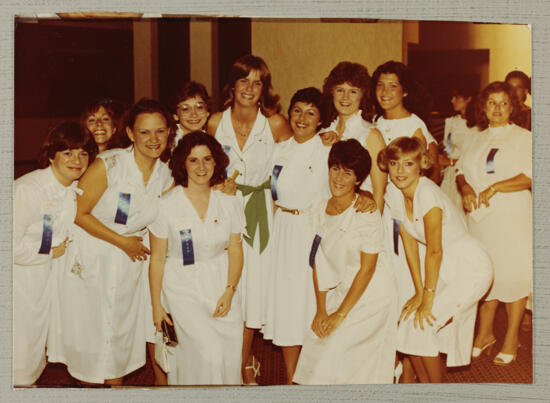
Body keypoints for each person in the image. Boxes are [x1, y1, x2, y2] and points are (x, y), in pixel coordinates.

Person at [62, 99, 175, 385]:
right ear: (129, 133)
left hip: (128, 263)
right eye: (145, 132)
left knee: (117, 331)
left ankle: (116, 389)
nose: (153, 139)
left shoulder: (166, 175)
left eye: (160, 131)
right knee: (90, 333)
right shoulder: (109, 164)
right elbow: (77, 213)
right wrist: (122, 242)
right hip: (93, 254)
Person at [207, 54, 292, 384]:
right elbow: (201, 162)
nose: (250, 88)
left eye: (258, 83)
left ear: (265, 88)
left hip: (260, 209)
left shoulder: (275, 123)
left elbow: (297, 157)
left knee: (252, 291)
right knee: (225, 284)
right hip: (223, 206)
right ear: (232, 85)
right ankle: (225, 359)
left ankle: (241, 364)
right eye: (244, 81)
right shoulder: (216, 121)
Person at [378, 137, 492, 382]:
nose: (400, 171)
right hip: (445, 270)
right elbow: (409, 244)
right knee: (409, 325)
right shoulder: (395, 192)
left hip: (470, 269)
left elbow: (434, 251)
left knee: (421, 326)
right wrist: (419, 292)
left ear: (421, 165)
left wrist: (428, 297)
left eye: (408, 164)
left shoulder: (427, 194)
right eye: (395, 163)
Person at [293, 139, 398, 385]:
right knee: (315, 345)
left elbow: (368, 268)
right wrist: (321, 309)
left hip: (372, 294)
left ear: (358, 180)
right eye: (335, 168)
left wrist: (339, 315)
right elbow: (317, 261)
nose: (339, 178)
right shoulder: (318, 208)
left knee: (336, 354)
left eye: (348, 173)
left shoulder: (366, 212)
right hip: (340, 289)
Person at [149, 132, 245, 385]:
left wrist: (230, 290)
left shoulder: (229, 202)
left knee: (228, 354)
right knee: (207, 354)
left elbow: (235, 248)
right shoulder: (166, 205)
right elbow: (157, 258)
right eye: (193, 160)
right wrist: (156, 306)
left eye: (207, 159)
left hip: (220, 284)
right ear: (183, 163)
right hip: (182, 288)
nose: (201, 167)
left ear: (216, 163)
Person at [14, 122, 96, 386]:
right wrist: (48, 252)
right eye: (68, 153)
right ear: (51, 155)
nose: (76, 160)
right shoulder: (28, 189)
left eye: (83, 153)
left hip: (46, 282)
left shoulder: (72, 190)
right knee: (20, 350)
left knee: (35, 351)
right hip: (20, 283)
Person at [456, 81, 532, 366]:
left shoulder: (524, 137)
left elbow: (531, 176)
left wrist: (496, 187)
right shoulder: (476, 137)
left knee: (513, 275)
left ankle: (511, 337)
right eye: (491, 103)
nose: (497, 108)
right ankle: (485, 333)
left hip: (511, 215)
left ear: (512, 107)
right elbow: (461, 171)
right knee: (485, 273)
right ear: (483, 107)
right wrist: (464, 188)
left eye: (503, 103)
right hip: (480, 218)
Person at [318, 61, 387, 212]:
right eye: (340, 90)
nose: (345, 97)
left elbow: (379, 192)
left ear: (362, 96)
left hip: (358, 214)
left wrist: (373, 229)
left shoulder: (371, 135)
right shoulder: (324, 132)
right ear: (332, 92)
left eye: (353, 91)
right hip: (326, 213)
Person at [439, 84, 478, 214]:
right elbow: (448, 148)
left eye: (457, 97)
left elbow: (476, 157)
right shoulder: (451, 122)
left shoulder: (479, 126)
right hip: (451, 175)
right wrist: (445, 158)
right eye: (452, 97)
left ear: (468, 99)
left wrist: (450, 162)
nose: (452, 101)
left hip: (468, 175)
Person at [170, 81, 211, 147]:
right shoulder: (168, 142)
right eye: (185, 109)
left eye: (199, 107)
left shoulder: (212, 141)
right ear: (175, 116)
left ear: (207, 112)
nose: (194, 114)